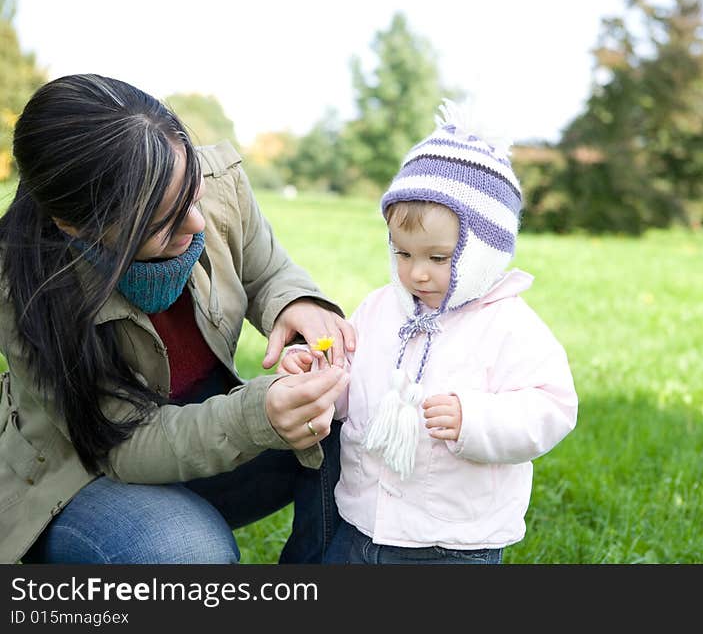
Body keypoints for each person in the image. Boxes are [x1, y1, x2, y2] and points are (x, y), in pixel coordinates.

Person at [0, 74, 355, 564]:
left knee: (352, 408)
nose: (198, 222)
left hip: (207, 436)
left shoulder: (210, 181)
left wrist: (297, 301)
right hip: (86, 477)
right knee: (185, 553)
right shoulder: (24, 288)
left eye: (191, 194)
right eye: (162, 221)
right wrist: (260, 415)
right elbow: (122, 445)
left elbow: (267, 268)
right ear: (76, 226)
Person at [280, 100, 578, 564]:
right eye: (402, 254)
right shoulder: (381, 308)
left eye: (438, 258)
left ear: (483, 251)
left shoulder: (508, 324)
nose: (416, 274)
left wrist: (475, 420)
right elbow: (351, 390)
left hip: (453, 540)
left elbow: (552, 407)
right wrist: (322, 374)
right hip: (365, 521)